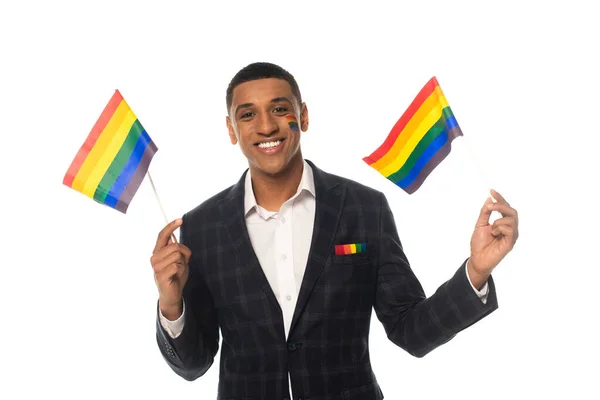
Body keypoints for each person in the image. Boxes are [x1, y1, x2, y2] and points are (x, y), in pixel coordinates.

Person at [151, 62, 519, 400]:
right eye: (248, 115)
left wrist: (476, 271)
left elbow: (411, 330)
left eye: (280, 109)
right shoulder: (201, 226)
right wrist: (171, 305)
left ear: (303, 116)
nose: (266, 126)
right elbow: (193, 365)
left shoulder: (363, 208)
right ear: (232, 129)